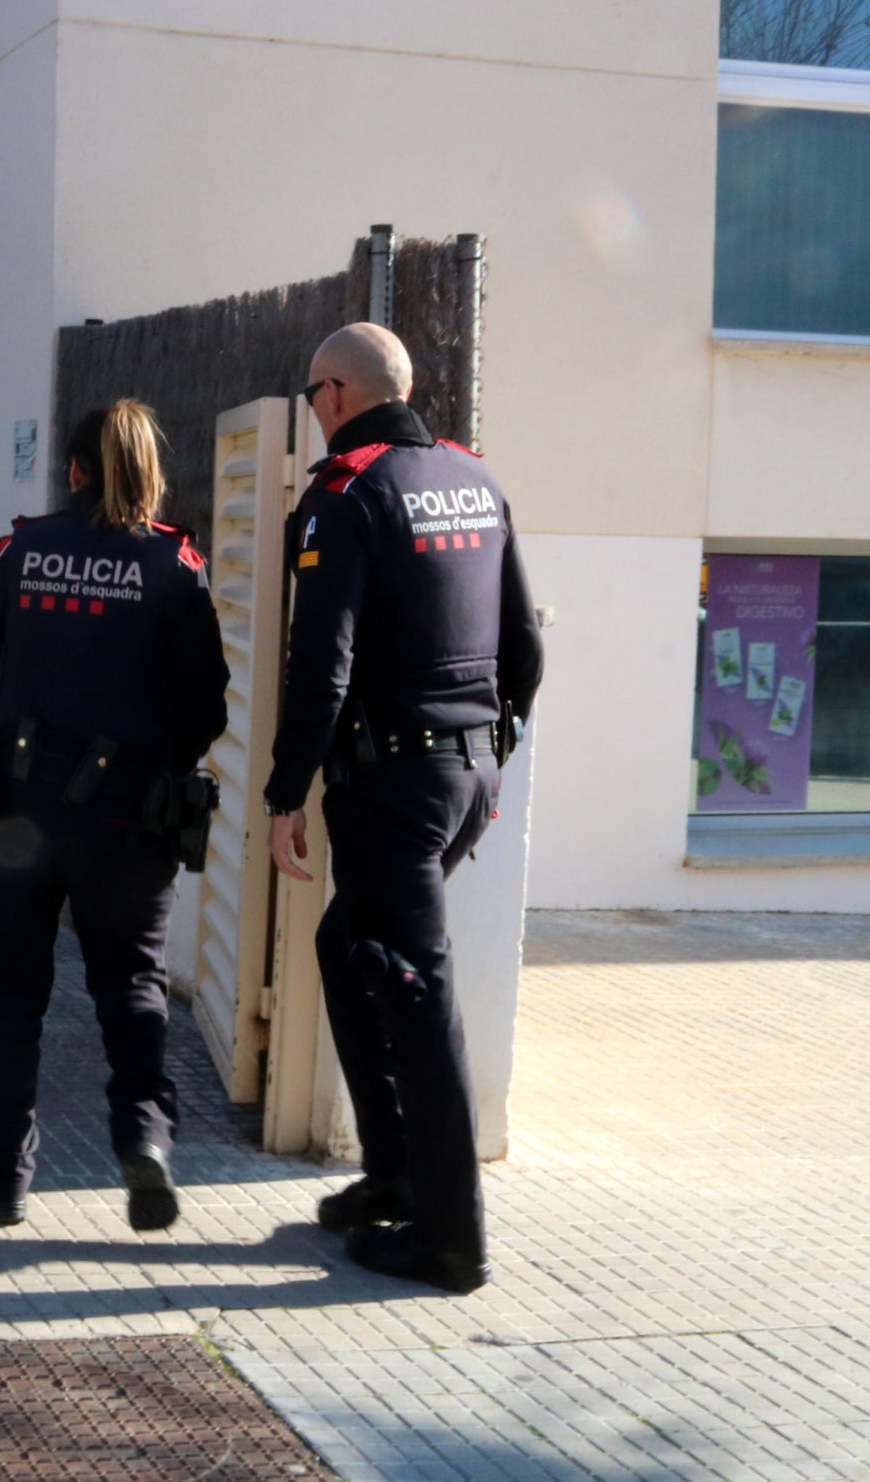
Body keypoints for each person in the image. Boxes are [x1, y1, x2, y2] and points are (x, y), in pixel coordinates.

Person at [265, 322, 545, 1296]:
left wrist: (281, 792)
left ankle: (450, 1240)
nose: (313, 413)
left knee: (420, 1004)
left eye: (311, 395)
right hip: (463, 775)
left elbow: (322, 665)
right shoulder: (474, 478)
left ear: (336, 394)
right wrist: (490, 757)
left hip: (392, 789)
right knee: (348, 951)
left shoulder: (345, 494)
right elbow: (524, 647)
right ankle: (389, 1179)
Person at [0, 400, 230, 1231]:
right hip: (128, 824)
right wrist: (148, 765)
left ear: (72, 471)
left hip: (14, 816)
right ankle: (144, 1138)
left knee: (8, 996)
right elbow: (206, 703)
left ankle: (0, 1177)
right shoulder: (175, 566)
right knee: (133, 987)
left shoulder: (24, 549)